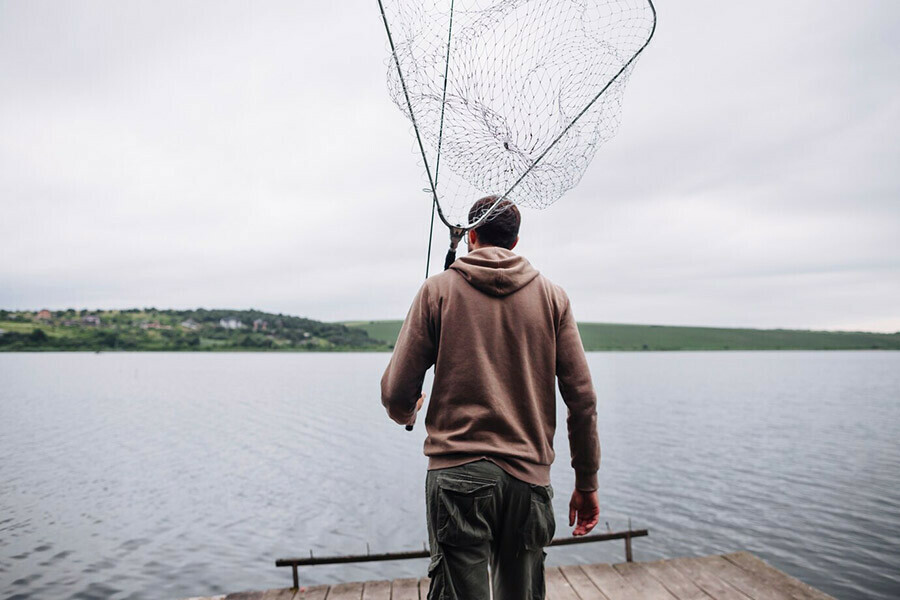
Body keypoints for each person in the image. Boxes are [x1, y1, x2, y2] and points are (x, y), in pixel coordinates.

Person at [381, 196, 601, 600]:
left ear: (472, 236)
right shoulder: (554, 298)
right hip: (528, 483)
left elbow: (397, 393)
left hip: (457, 478)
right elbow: (582, 400)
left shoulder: (436, 291)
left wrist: (406, 410)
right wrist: (586, 482)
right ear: (515, 242)